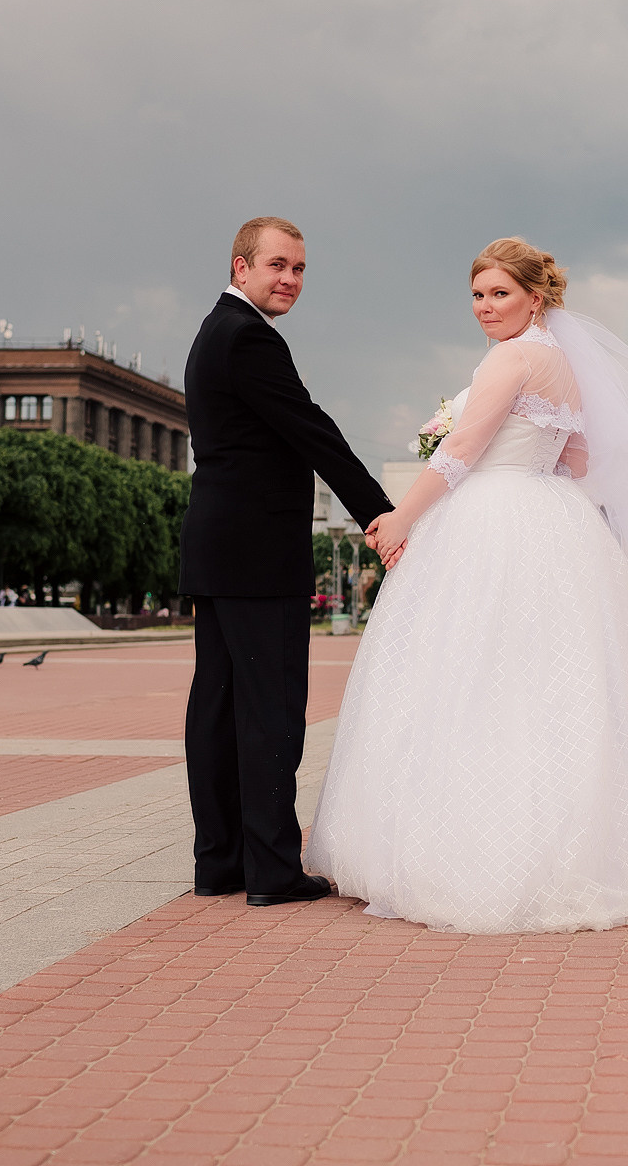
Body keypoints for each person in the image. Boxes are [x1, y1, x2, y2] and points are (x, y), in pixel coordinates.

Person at [305, 237, 628, 933]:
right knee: (551, 682)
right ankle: (581, 841)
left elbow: (462, 450)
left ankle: (477, 852)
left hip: (491, 518)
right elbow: (581, 455)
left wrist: (396, 521)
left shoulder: (509, 358)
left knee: (470, 675)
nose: (485, 307)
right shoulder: (562, 365)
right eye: (477, 294)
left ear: (535, 297)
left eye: (499, 293)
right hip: (554, 521)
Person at [179, 217, 392, 907]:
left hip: (218, 547)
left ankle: (220, 863)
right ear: (240, 267)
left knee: (216, 709)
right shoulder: (247, 337)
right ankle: (271, 870)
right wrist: (377, 512)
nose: (290, 279)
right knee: (269, 713)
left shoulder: (215, 330)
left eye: (299, 268)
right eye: (277, 265)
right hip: (257, 554)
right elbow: (310, 429)